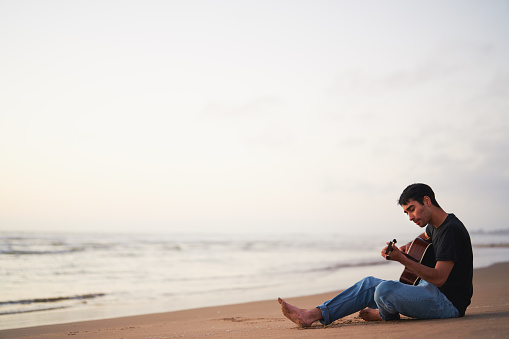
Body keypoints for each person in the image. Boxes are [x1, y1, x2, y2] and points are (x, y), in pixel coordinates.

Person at [278, 183, 473, 327]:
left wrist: (402, 259)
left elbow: (439, 278)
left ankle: (384, 314)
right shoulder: (434, 226)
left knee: (384, 291)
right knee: (368, 283)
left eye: (412, 209)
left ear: (427, 201)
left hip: (447, 303)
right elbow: (423, 238)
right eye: (406, 213)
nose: (411, 217)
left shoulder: (451, 231)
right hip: (426, 289)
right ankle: (311, 315)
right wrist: (405, 248)